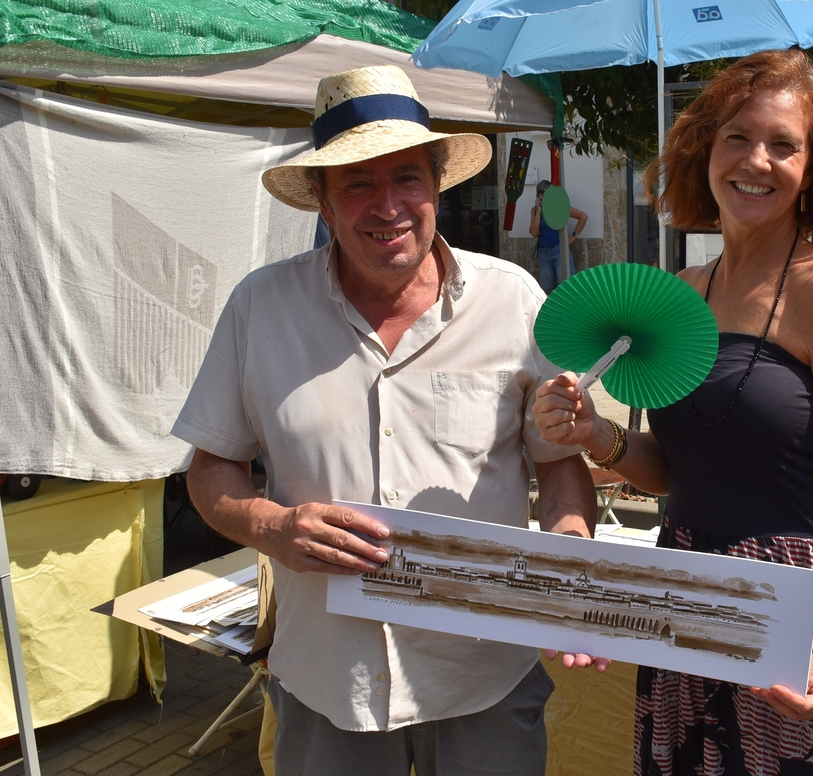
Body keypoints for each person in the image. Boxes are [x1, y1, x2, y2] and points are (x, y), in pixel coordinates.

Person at [175, 65, 601, 776]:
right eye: (357, 184)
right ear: (322, 200)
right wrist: (272, 527)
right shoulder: (260, 307)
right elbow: (212, 469)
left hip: (484, 677)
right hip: (325, 682)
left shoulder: (512, 300)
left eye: (407, 177)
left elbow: (559, 468)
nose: (388, 206)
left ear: (436, 185)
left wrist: (571, 549)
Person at [533, 49, 813, 775]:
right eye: (737, 137)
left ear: (811, 168)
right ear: (705, 151)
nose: (756, 161)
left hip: (798, 618)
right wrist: (598, 436)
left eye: (783, 145)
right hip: (687, 600)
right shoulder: (683, 291)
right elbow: (678, 473)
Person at [529, 179, 588, 294]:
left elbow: (583, 216)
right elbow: (534, 232)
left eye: (546, 192)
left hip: (559, 250)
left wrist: (573, 236)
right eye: (541, 192)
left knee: (566, 286)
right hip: (543, 252)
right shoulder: (535, 211)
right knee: (546, 289)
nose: (543, 195)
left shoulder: (559, 207)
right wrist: (538, 212)